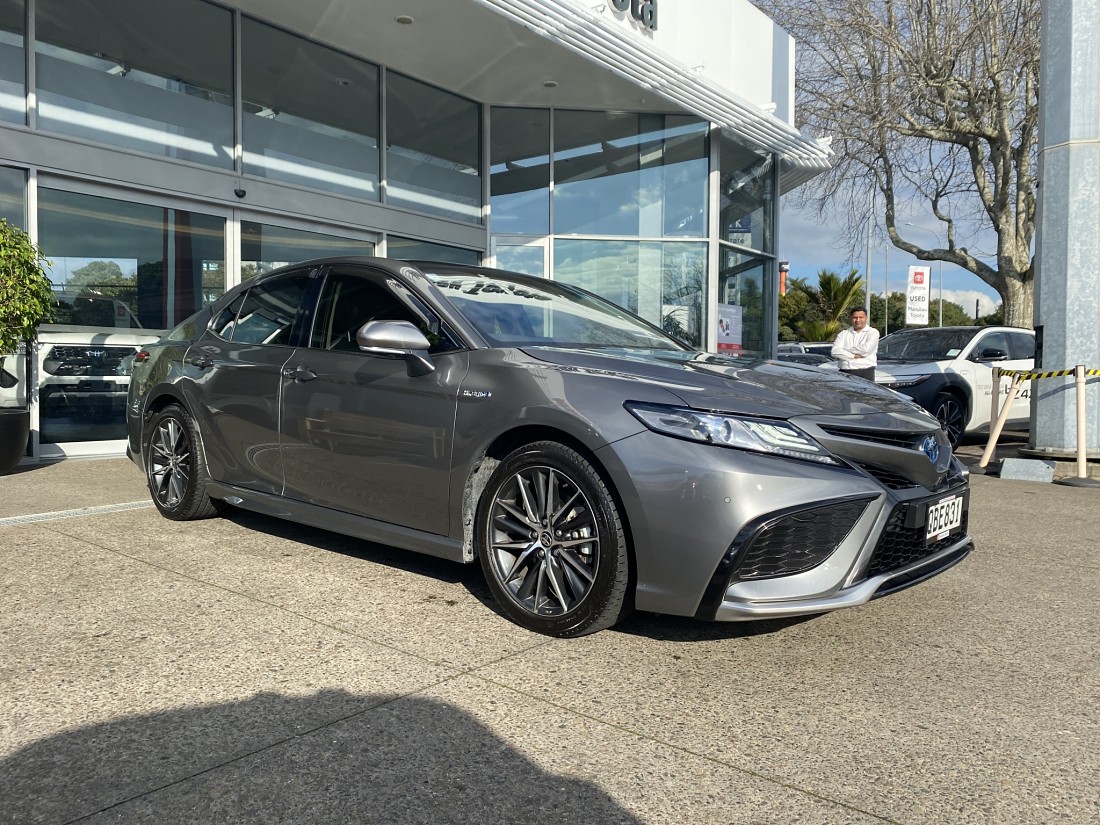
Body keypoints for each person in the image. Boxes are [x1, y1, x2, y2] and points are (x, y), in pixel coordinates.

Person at [831, 306, 879, 380]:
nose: (858, 320)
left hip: (864, 373)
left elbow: (866, 350)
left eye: (861, 317)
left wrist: (844, 350)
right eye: (855, 317)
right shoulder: (843, 334)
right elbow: (835, 352)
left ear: (866, 318)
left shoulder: (872, 332)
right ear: (851, 318)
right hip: (844, 372)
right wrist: (852, 355)